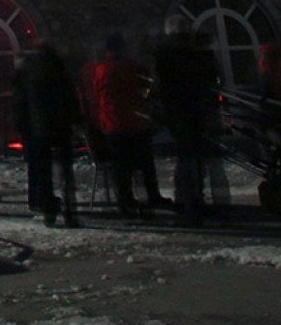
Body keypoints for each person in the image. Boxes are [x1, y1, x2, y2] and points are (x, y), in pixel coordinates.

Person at [154, 17, 220, 223]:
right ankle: (193, 199)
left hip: (178, 112)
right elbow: (209, 77)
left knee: (185, 158)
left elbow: (163, 87)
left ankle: (186, 201)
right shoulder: (196, 54)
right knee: (193, 158)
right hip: (195, 110)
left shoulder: (165, 56)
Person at [93, 34, 166, 217]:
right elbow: (146, 90)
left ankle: (125, 200)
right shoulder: (133, 67)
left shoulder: (101, 70)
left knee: (121, 167)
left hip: (113, 124)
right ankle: (152, 195)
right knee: (145, 163)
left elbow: (98, 94)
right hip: (136, 122)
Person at [12, 38, 81, 226]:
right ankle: (70, 211)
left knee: (44, 172)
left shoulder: (30, 72)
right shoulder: (60, 70)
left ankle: (49, 212)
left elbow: (22, 102)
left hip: (40, 127)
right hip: (61, 125)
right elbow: (70, 97)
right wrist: (76, 120)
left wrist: (24, 124)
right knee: (65, 171)